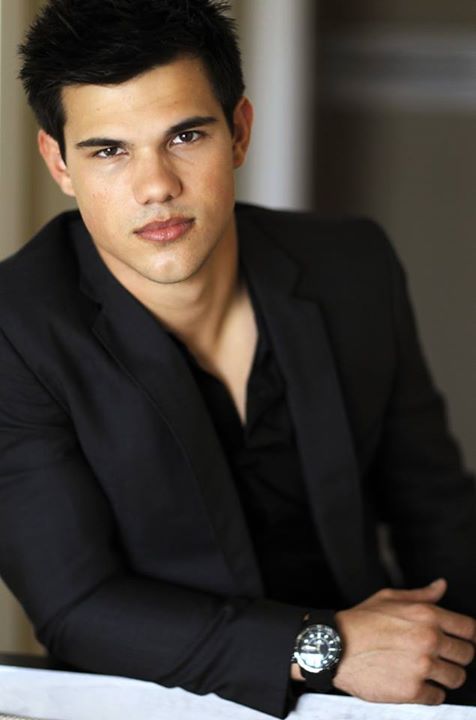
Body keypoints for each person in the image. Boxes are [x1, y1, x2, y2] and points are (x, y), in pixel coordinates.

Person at [0, 0, 475, 717]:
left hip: (384, 699)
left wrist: (454, 669)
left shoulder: (351, 264)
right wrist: (328, 647)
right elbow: (77, 606)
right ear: (59, 163)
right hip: (157, 703)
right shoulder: (15, 330)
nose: (156, 186)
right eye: (109, 151)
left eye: (185, 135)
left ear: (240, 132)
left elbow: (436, 510)